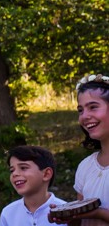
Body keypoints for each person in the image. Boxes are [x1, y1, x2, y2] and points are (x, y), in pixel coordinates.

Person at [52, 74, 109, 225]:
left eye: (93, 107)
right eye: (80, 110)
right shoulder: (85, 167)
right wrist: (69, 216)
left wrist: (99, 213)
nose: (85, 116)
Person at [0, 145, 64, 226]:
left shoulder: (65, 213)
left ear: (46, 174)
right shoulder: (8, 213)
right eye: (12, 170)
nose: (14, 174)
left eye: (23, 168)